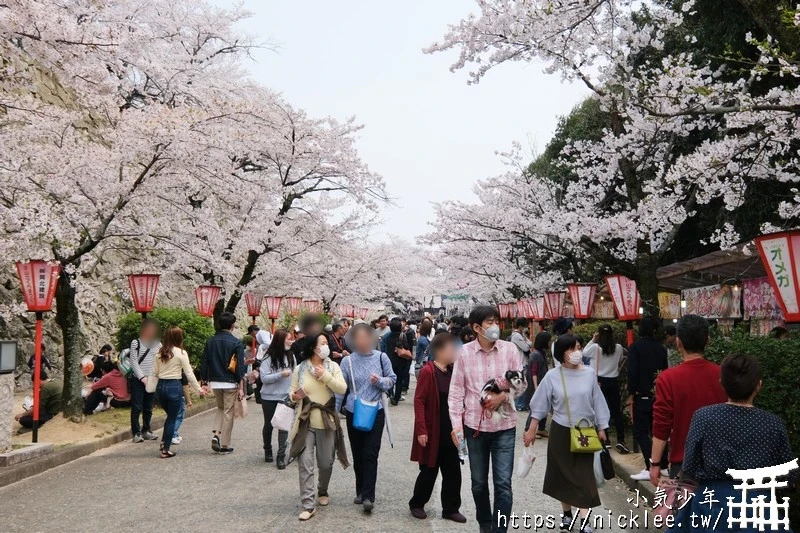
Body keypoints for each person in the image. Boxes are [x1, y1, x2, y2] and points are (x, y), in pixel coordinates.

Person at [669, 353, 796, 533]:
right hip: (759, 506)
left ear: (722, 383)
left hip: (712, 503)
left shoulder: (703, 417)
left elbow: (689, 465)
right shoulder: (773, 424)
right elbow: (788, 474)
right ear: (758, 386)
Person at [524, 335, 609, 533]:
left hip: (585, 431)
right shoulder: (553, 376)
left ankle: (585, 520)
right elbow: (539, 404)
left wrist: (602, 427)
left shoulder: (588, 374)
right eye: (572, 349)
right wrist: (531, 429)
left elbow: (598, 401)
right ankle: (567, 515)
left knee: (583, 476)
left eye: (578, 347)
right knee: (563, 475)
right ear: (562, 354)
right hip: (561, 430)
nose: (577, 352)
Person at [449, 306, 521, 533]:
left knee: (503, 484)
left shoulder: (510, 350)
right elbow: (456, 393)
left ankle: (499, 529)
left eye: (496, 321)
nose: (494, 326)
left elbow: (522, 384)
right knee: (479, 484)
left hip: (505, 427)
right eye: (489, 322)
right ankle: (485, 524)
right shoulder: (463, 353)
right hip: (474, 428)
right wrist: (456, 427)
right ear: (476, 327)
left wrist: (503, 396)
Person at [649, 314, 727, 486]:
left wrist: (655, 464)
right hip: (721, 464)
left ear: (678, 342)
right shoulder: (723, 375)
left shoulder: (668, 378)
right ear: (708, 341)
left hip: (683, 463)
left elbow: (661, 425)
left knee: (686, 511)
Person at [288, 333, 348, 521]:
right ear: (313, 346)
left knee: (325, 463)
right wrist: (294, 397)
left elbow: (342, 388)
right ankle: (308, 504)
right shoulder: (301, 368)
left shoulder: (333, 366)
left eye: (326, 343)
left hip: (327, 421)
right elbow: (291, 392)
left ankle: (323, 490)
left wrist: (325, 376)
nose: (326, 346)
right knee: (305, 463)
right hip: (305, 421)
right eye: (322, 343)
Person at [339, 323, 397, 514]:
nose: (363, 341)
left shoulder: (382, 358)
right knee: (357, 452)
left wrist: (379, 381)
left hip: (376, 410)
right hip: (354, 411)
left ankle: (368, 496)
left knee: (370, 453)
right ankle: (360, 490)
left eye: (366, 337)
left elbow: (392, 379)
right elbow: (341, 388)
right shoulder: (347, 362)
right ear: (353, 340)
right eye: (359, 338)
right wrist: (333, 408)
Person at [409, 333, 466, 523]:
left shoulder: (453, 371)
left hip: (451, 430)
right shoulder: (428, 371)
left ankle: (450, 508)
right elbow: (419, 401)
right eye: (451, 348)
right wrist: (422, 430)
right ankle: (417, 503)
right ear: (440, 350)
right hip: (433, 430)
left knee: (453, 472)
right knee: (428, 471)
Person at [152, 326, 206, 458]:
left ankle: (165, 441)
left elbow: (155, 373)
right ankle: (165, 448)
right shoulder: (181, 353)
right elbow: (189, 373)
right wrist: (199, 389)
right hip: (174, 386)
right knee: (172, 418)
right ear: (179, 338)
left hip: (161, 387)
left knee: (169, 416)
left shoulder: (159, 353)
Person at [626, 317, 669, 481]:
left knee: (640, 432)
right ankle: (663, 465)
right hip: (658, 393)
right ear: (654, 330)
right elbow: (664, 371)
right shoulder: (661, 348)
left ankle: (650, 464)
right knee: (658, 429)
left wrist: (631, 391)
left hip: (641, 394)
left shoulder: (635, 347)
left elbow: (632, 371)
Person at [199, 311, 246, 454]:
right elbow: (239, 366)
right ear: (233, 325)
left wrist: (205, 381)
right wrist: (240, 383)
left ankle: (216, 435)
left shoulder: (210, 341)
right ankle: (224, 444)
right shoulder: (236, 343)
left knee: (220, 408)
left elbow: (205, 362)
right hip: (230, 382)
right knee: (228, 412)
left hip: (215, 381)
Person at [583, 325, 629, 454]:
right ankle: (621, 440)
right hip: (613, 381)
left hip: (599, 382)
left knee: (601, 410)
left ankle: (606, 440)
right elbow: (619, 361)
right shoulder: (619, 348)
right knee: (616, 411)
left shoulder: (595, 348)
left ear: (599, 334)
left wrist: (593, 339)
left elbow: (584, 353)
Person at [260, 329, 295, 468]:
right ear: (280, 341)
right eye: (288, 339)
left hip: (285, 396)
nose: (290, 341)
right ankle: (267, 450)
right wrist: (280, 374)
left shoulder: (291, 356)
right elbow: (264, 378)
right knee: (269, 424)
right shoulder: (268, 357)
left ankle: (281, 455)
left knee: (283, 425)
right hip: (269, 396)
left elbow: (295, 374)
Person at [129, 319, 161, 443]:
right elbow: (133, 361)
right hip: (138, 379)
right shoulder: (135, 343)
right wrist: (142, 377)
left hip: (152, 379)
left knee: (148, 406)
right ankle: (136, 432)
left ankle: (146, 430)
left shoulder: (158, 344)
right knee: (137, 406)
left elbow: (160, 359)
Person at [526, 332, 552, 437]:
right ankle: (528, 428)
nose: (550, 343)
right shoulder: (536, 354)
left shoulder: (541, 353)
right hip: (537, 385)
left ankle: (541, 428)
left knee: (544, 406)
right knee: (535, 407)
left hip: (542, 384)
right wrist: (536, 387)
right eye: (549, 341)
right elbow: (534, 372)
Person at [385, 318, 413, 406]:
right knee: (399, 380)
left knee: (390, 378)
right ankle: (396, 398)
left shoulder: (387, 336)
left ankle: (390, 394)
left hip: (390, 360)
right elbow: (406, 347)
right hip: (400, 361)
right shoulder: (402, 336)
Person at [509, 318, 532, 411]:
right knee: (520, 384)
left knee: (522, 384)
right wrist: (527, 342)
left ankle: (521, 404)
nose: (526, 328)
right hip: (520, 362)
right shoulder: (516, 336)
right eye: (525, 326)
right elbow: (526, 347)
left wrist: (527, 341)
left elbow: (530, 343)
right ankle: (519, 405)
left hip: (523, 361)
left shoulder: (521, 334)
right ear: (521, 326)